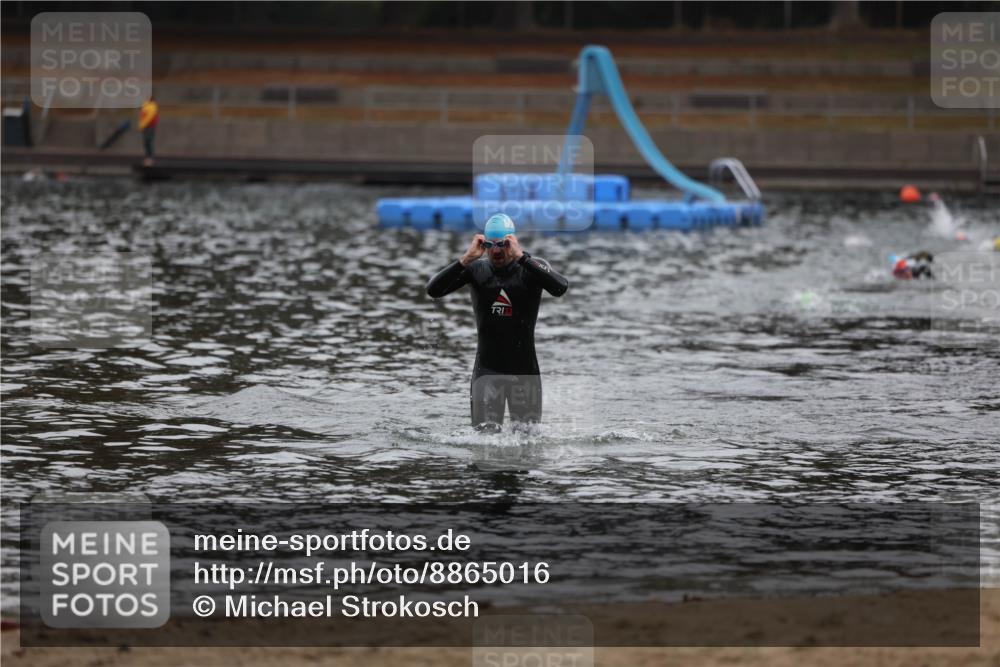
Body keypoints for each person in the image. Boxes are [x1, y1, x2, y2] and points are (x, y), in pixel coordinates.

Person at [426, 213, 569, 430]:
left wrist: (522, 257)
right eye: (490, 244)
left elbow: (560, 287)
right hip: (487, 372)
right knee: (484, 445)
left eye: (502, 244)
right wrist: (466, 258)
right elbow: (433, 290)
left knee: (527, 444)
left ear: (512, 242)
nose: (496, 250)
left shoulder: (532, 268)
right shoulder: (475, 270)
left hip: (524, 373)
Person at [139, 96, 159, 165]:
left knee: (148, 141)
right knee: (145, 142)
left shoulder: (153, 106)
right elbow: (142, 116)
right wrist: (141, 125)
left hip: (150, 126)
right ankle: (147, 158)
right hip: (145, 127)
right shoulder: (145, 105)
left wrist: (143, 124)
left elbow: (149, 117)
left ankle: (150, 158)